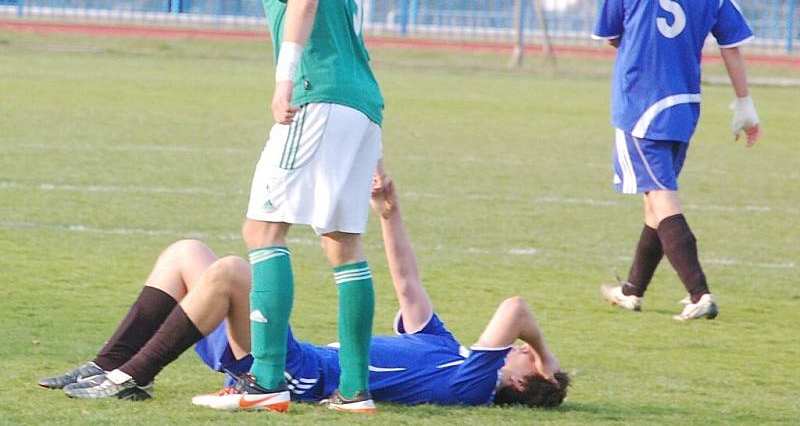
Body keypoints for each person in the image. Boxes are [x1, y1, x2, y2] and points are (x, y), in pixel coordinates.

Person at [38, 169, 569, 411]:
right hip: (291, 357)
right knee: (185, 254)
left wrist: (547, 357)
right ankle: (107, 363)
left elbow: (516, 309)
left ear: (521, 386)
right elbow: (407, 283)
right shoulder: (445, 347)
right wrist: (390, 212)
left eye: (525, 362)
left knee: (231, 272)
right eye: (527, 352)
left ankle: (132, 377)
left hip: (299, 375)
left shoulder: (471, 382)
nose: (522, 350)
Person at [230, 0, 384, 412]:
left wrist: (284, 78)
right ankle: (355, 390)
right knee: (342, 243)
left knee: (263, 226)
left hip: (317, 97)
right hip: (362, 106)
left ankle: (267, 378)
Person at [591, 0, 761, 321]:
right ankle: (632, 290)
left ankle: (699, 293)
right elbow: (732, 45)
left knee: (664, 201)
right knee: (655, 200)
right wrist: (745, 103)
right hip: (685, 103)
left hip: (640, 102)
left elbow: (610, 33)